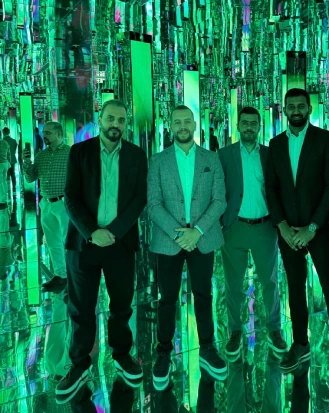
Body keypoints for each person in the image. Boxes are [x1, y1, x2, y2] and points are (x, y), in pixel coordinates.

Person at [56, 100, 147, 401]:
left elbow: (139, 198)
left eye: (121, 120)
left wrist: (114, 232)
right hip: (84, 244)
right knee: (81, 307)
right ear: (100, 118)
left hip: (120, 244)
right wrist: (92, 232)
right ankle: (79, 364)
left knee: (122, 305)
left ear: (126, 123)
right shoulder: (79, 152)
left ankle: (122, 355)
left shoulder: (136, 154)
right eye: (110, 118)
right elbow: (70, 197)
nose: (115, 125)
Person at [265, 88, 329, 380]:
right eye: (291, 106)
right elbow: (271, 187)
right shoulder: (275, 144)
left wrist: (312, 227)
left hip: (318, 231)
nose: (296, 110)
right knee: (295, 288)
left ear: (309, 108)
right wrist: (282, 225)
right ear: (284, 109)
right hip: (288, 232)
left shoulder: (325, 139)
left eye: (301, 105)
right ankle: (300, 343)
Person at [148, 104, 227, 389]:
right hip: (168, 241)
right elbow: (153, 204)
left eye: (187, 121)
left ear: (195, 125)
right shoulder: (157, 161)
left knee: (203, 294)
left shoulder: (211, 159)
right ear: (170, 126)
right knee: (167, 298)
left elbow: (220, 200)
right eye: (177, 122)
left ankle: (207, 347)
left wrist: (198, 231)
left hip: (202, 239)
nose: (182, 126)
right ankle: (163, 352)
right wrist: (179, 234)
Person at [219, 107, 286, 361]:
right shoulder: (224, 155)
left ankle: (275, 329)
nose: (249, 127)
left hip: (264, 228)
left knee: (270, 281)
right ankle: (235, 331)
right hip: (234, 227)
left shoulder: (269, 155)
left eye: (253, 123)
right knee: (233, 284)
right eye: (245, 122)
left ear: (259, 126)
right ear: (238, 125)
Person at [23, 122, 71, 294]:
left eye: (48, 133)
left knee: (68, 241)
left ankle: (74, 275)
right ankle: (60, 275)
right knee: (52, 241)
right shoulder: (41, 156)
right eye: (44, 133)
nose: (45, 136)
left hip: (63, 203)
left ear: (59, 134)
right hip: (46, 203)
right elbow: (30, 178)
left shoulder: (70, 153)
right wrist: (27, 162)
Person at [2, 128, 18, 225]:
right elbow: (14, 150)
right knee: (13, 175)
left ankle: (7, 189)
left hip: (5, 161)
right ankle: (14, 188)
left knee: (5, 176)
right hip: (13, 160)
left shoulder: (2, 142)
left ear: (3, 133)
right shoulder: (14, 141)